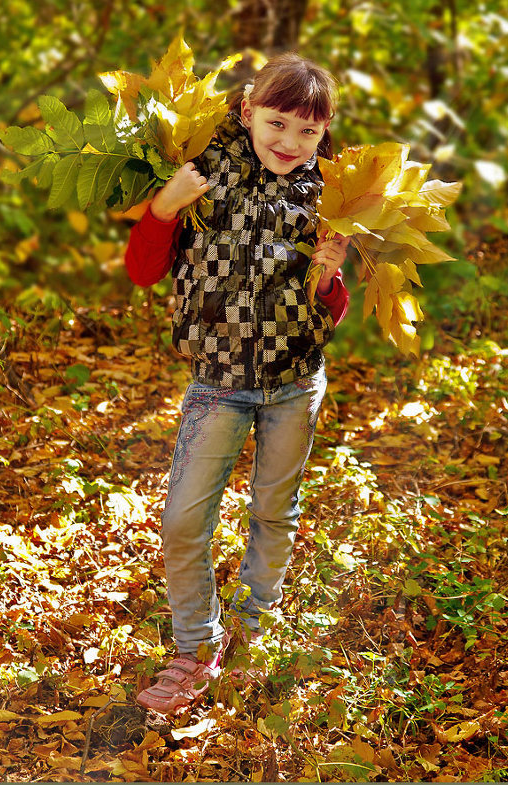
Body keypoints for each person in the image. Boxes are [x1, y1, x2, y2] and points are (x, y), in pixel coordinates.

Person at [125, 52, 350, 715]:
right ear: (248, 112)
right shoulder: (202, 173)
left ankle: (254, 626)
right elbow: (142, 271)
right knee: (184, 522)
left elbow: (330, 309)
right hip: (218, 384)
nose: (290, 143)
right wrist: (164, 207)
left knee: (272, 512)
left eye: (308, 132)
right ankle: (196, 643)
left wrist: (330, 276)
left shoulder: (329, 197)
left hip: (293, 384)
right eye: (277, 123)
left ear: (324, 131)